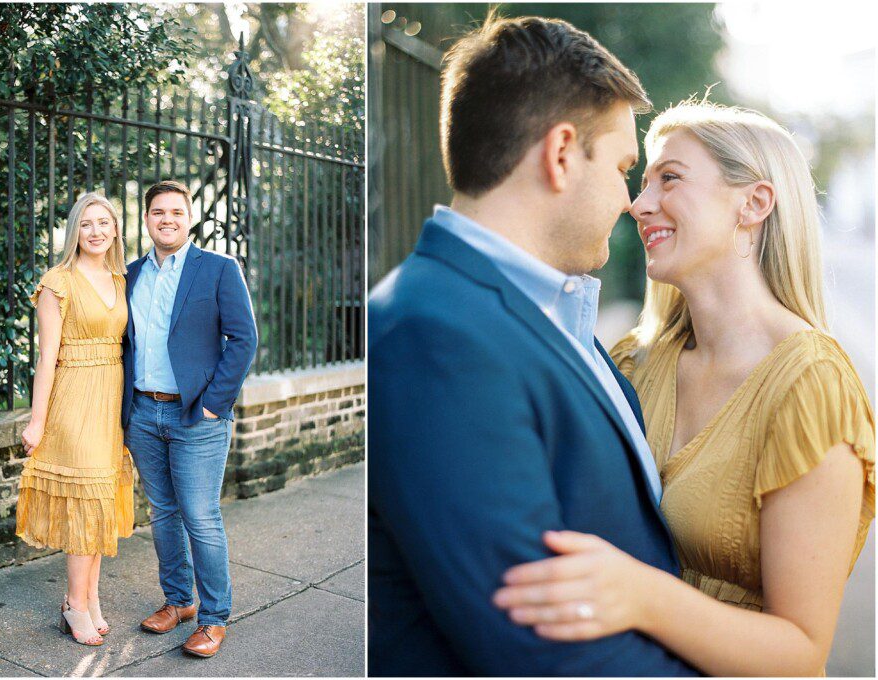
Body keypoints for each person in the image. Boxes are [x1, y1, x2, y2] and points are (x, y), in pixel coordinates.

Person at [492, 102, 875, 676]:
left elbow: (800, 653)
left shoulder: (812, 387)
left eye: (669, 178)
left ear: (754, 203)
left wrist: (642, 595)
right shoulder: (632, 360)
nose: (639, 204)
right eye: (643, 182)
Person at [368, 15, 697, 676]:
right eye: (623, 168)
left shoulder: (543, 310)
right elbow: (538, 652)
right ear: (562, 153)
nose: (630, 201)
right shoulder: (434, 334)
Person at [122, 180, 257, 659]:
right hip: (143, 412)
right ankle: (179, 601)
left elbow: (243, 339)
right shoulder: (130, 274)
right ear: (147, 219)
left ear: (190, 218)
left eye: (176, 212)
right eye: (158, 212)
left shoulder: (219, 269)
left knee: (200, 516)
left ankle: (214, 618)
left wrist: (213, 404)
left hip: (196, 414)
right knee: (163, 512)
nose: (168, 219)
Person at [17, 192, 135, 647]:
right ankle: (74, 604)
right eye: (86, 224)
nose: (96, 231)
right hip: (74, 399)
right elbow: (46, 358)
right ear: (74, 232)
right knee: (85, 504)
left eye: (104, 222)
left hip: (111, 401)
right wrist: (37, 422)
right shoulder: (58, 282)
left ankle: (90, 597)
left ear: (116, 229)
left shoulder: (121, 279)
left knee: (100, 501)